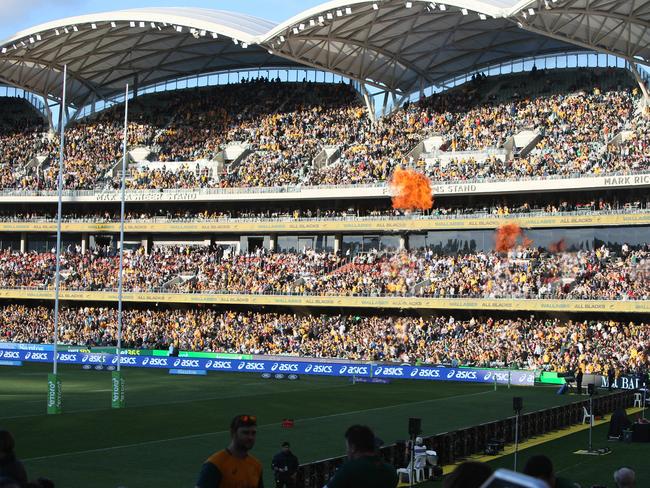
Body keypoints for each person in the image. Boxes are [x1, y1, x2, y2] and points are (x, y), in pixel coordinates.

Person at [195, 415, 263, 488]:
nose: (250, 437)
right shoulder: (215, 464)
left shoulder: (256, 466)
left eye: (253, 433)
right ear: (233, 433)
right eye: (245, 433)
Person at [323, 425, 397, 488]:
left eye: (348, 447)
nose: (347, 451)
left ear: (353, 448)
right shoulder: (391, 471)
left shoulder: (349, 470)